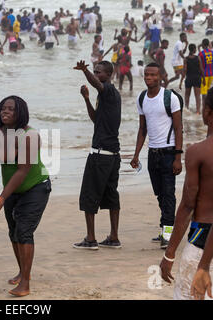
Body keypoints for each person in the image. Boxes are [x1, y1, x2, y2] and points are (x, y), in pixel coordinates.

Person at [159, 85, 213, 300]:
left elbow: (188, 205)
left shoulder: (197, 151)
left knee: (190, 293)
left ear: (207, 111)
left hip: (201, 235)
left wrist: (169, 254)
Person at [0, 95, 51, 297]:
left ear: (21, 113)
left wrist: (2, 198)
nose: (5, 111)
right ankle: (22, 271)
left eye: (11, 109)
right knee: (13, 232)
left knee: (24, 231)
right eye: (3, 108)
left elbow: (22, 171)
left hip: (35, 187)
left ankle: (25, 282)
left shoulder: (30, 136)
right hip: (12, 190)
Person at [131, 62, 183, 249]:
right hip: (152, 154)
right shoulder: (142, 97)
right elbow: (142, 129)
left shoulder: (170, 98)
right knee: (160, 194)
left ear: (161, 76)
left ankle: (168, 235)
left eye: (152, 75)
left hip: (169, 152)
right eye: (146, 75)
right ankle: (166, 229)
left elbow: (178, 128)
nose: (148, 78)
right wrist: (136, 154)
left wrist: (178, 157)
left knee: (168, 195)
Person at [72, 60, 122, 251]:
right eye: (94, 71)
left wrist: (84, 71)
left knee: (89, 195)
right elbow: (96, 119)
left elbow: (97, 84)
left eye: (98, 72)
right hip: (112, 154)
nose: (96, 74)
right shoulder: (107, 97)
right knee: (111, 195)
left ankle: (91, 238)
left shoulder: (108, 90)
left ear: (109, 74)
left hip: (101, 154)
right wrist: (86, 99)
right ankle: (114, 237)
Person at [180, 44, 204, 114]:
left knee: (187, 95)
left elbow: (184, 70)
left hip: (189, 78)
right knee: (197, 96)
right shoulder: (198, 58)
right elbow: (201, 69)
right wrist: (204, 79)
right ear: (194, 50)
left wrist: (181, 82)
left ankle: (187, 109)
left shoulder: (186, 59)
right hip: (197, 78)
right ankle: (198, 111)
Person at [198, 39, 213, 110]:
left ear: (203, 44)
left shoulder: (201, 54)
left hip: (204, 75)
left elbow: (199, 66)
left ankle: (204, 108)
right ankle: (209, 107)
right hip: (211, 74)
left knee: (203, 93)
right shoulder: (212, 52)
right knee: (208, 91)